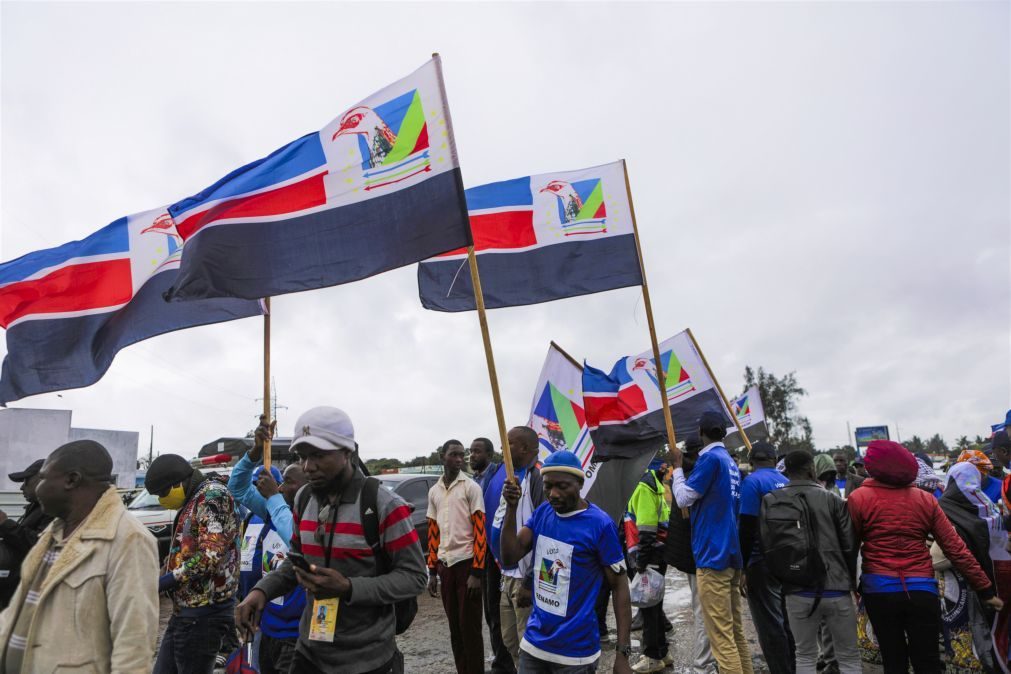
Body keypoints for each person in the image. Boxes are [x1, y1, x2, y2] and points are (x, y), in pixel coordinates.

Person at [235, 406, 427, 674]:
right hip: (309, 651)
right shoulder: (304, 499)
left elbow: (415, 577)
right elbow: (296, 562)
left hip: (368, 658)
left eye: (318, 455)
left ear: (347, 451)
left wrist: (348, 587)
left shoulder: (383, 505)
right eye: (302, 456)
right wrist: (261, 591)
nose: (307, 466)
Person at [0, 440, 159, 673]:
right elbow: (21, 611)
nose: (36, 487)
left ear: (71, 480)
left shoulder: (127, 539)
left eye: (43, 478)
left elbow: (133, 643)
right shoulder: (52, 534)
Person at [847, 440, 1003, 673]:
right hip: (922, 590)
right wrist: (986, 590)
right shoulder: (925, 499)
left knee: (893, 658)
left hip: (879, 591)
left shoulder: (859, 498)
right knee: (928, 660)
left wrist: (851, 586)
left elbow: (849, 547)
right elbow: (955, 548)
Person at [500, 450, 633, 674]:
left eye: (562, 486)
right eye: (547, 486)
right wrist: (511, 509)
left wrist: (622, 654)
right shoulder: (543, 513)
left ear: (580, 484)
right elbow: (510, 556)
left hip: (575, 655)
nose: (553, 494)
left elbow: (620, 587)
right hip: (535, 645)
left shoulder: (600, 525)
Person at [762, 451, 860, 674]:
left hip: (796, 590)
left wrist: (783, 580)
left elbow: (767, 547)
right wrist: (851, 582)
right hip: (836, 588)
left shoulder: (771, 500)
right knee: (849, 656)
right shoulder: (833, 499)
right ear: (811, 469)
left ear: (786, 470)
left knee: (804, 655)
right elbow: (849, 545)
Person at [671, 410, 753, 674]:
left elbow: (683, 498)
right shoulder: (730, 462)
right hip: (730, 554)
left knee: (721, 638)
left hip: (712, 556)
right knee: (735, 633)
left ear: (700, 433)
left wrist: (676, 469)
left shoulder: (710, 460)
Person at [148, 453, 241, 674]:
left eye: (163, 493)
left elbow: (210, 555)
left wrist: (168, 580)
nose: (162, 499)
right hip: (186, 611)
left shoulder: (212, 496)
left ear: (178, 482)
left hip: (204, 612)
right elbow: (186, 546)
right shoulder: (194, 498)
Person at [228, 417, 308, 674]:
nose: (283, 486)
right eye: (282, 480)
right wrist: (254, 452)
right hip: (269, 626)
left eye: (291, 482)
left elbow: (295, 539)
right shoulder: (272, 509)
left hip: (298, 633)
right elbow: (237, 489)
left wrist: (274, 497)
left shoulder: (311, 517)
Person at [937, 461, 1010, 671]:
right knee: (980, 627)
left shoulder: (942, 506)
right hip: (985, 578)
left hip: (957, 581)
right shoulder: (985, 506)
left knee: (966, 629)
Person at [427, 439, 487, 674]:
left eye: (462, 455)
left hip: (467, 565)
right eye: (454, 455)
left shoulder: (471, 487)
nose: (460, 459)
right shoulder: (434, 491)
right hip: (445, 566)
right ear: (442, 456)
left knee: (470, 629)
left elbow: (480, 530)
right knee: (455, 628)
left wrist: (477, 572)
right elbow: (433, 533)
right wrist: (432, 571)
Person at [489, 426, 546, 667]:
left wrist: (529, 580)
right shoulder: (512, 475)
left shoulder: (537, 477)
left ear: (524, 448)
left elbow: (544, 534)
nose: (503, 448)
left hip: (526, 579)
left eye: (508, 443)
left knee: (530, 646)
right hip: (507, 575)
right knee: (511, 642)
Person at [663, 435, 718, 674]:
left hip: (689, 553)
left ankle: (706, 661)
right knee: (704, 610)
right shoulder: (695, 475)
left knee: (704, 608)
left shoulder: (682, 475)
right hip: (697, 554)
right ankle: (703, 664)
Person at [737, 442, 793, 674]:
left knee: (770, 623)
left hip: (761, 561)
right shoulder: (787, 481)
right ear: (774, 458)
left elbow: (747, 528)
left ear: (751, 462)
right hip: (789, 559)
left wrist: (742, 568)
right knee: (788, 619)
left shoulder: (752, 482)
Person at [623, 457, 671, 673]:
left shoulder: (643, 487)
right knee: (655, 607)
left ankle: (652, 656)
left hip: (649, 555)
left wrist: (641, 562)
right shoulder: (654, 485)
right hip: (657, 552)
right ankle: (662, 652)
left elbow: (646, 528)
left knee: (649, 608)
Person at [471, 437, 513, 674]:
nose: (472, 456)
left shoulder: (497, 476)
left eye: (477, 451)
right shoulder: (472, 481)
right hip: (480, 551)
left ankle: (504, 663)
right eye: (471, 451)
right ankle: (501, 657)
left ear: (489, 454)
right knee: (489, 610)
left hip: (496, 550)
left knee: (498, 610)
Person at [0, 459, 53, 609]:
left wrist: (5, 523)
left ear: (42, 480)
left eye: (26, 481)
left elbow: (39, 545)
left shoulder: (53, 511)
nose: (22, 488)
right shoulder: (35, 507)